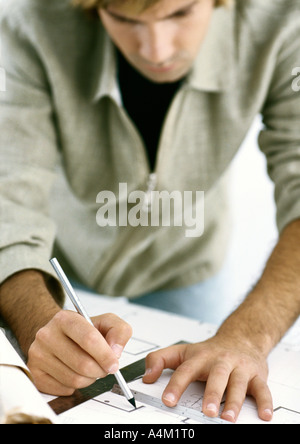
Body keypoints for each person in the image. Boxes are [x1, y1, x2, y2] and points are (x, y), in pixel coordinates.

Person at [0, 0, 300, 423]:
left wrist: (247, 338)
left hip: (188, 260)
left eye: (181, 13)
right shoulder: (29, 21)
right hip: (66, 259)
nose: (155, 51)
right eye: (123, 18)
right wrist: (36, 321)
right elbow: (7, 191)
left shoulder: (284, 20)